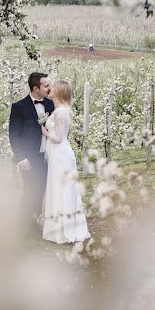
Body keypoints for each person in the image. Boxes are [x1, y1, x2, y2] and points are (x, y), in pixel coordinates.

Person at [39, 80, 91, 244]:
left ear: (60, 91)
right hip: (57, 156)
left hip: (61, 155)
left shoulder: (61, 112)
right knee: (58, 188)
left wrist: (45, 131)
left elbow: (59, 138)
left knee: (62, 189)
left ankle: (65, 230)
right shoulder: (59, 110)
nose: (50, 89)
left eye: (53, 87)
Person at [8, 72, 54, 227]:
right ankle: (23, 225)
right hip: (29, 158)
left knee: (42, 190)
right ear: (36, 88)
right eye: (46, 85)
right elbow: (14, 135)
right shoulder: (19, 107)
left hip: (48, 156)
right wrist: (20, 158)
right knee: (30, 191)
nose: (50, 88)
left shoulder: (50, 104)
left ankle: (36, 222)